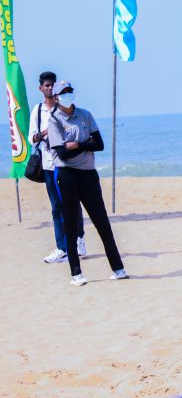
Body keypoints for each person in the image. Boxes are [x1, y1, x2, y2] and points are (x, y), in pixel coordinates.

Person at [47, 80, 128, 286]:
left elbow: (99, 144)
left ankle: (118, 268)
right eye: (63, 92)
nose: (67, 94)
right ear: (56, 97)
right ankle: (76, 273)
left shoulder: (85, 115)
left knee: (102, 222)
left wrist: (77, 145)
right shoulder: (54, 120)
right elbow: (62, 153)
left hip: (88, 174)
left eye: (69, 91)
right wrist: (84, 145)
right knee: (71, 225)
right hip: (67, 175)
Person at [27, 71, 86, 263]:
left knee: (73, 203)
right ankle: (62, 248)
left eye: (52, 85)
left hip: (66, 163)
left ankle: (79, 239)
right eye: (47, 85)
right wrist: (45, 133)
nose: (50, 88)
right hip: (48, 164)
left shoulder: (64, 108)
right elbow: (32, 138)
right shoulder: (38, 111)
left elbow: (74, 132)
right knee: (56, 207)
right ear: (41, 88)